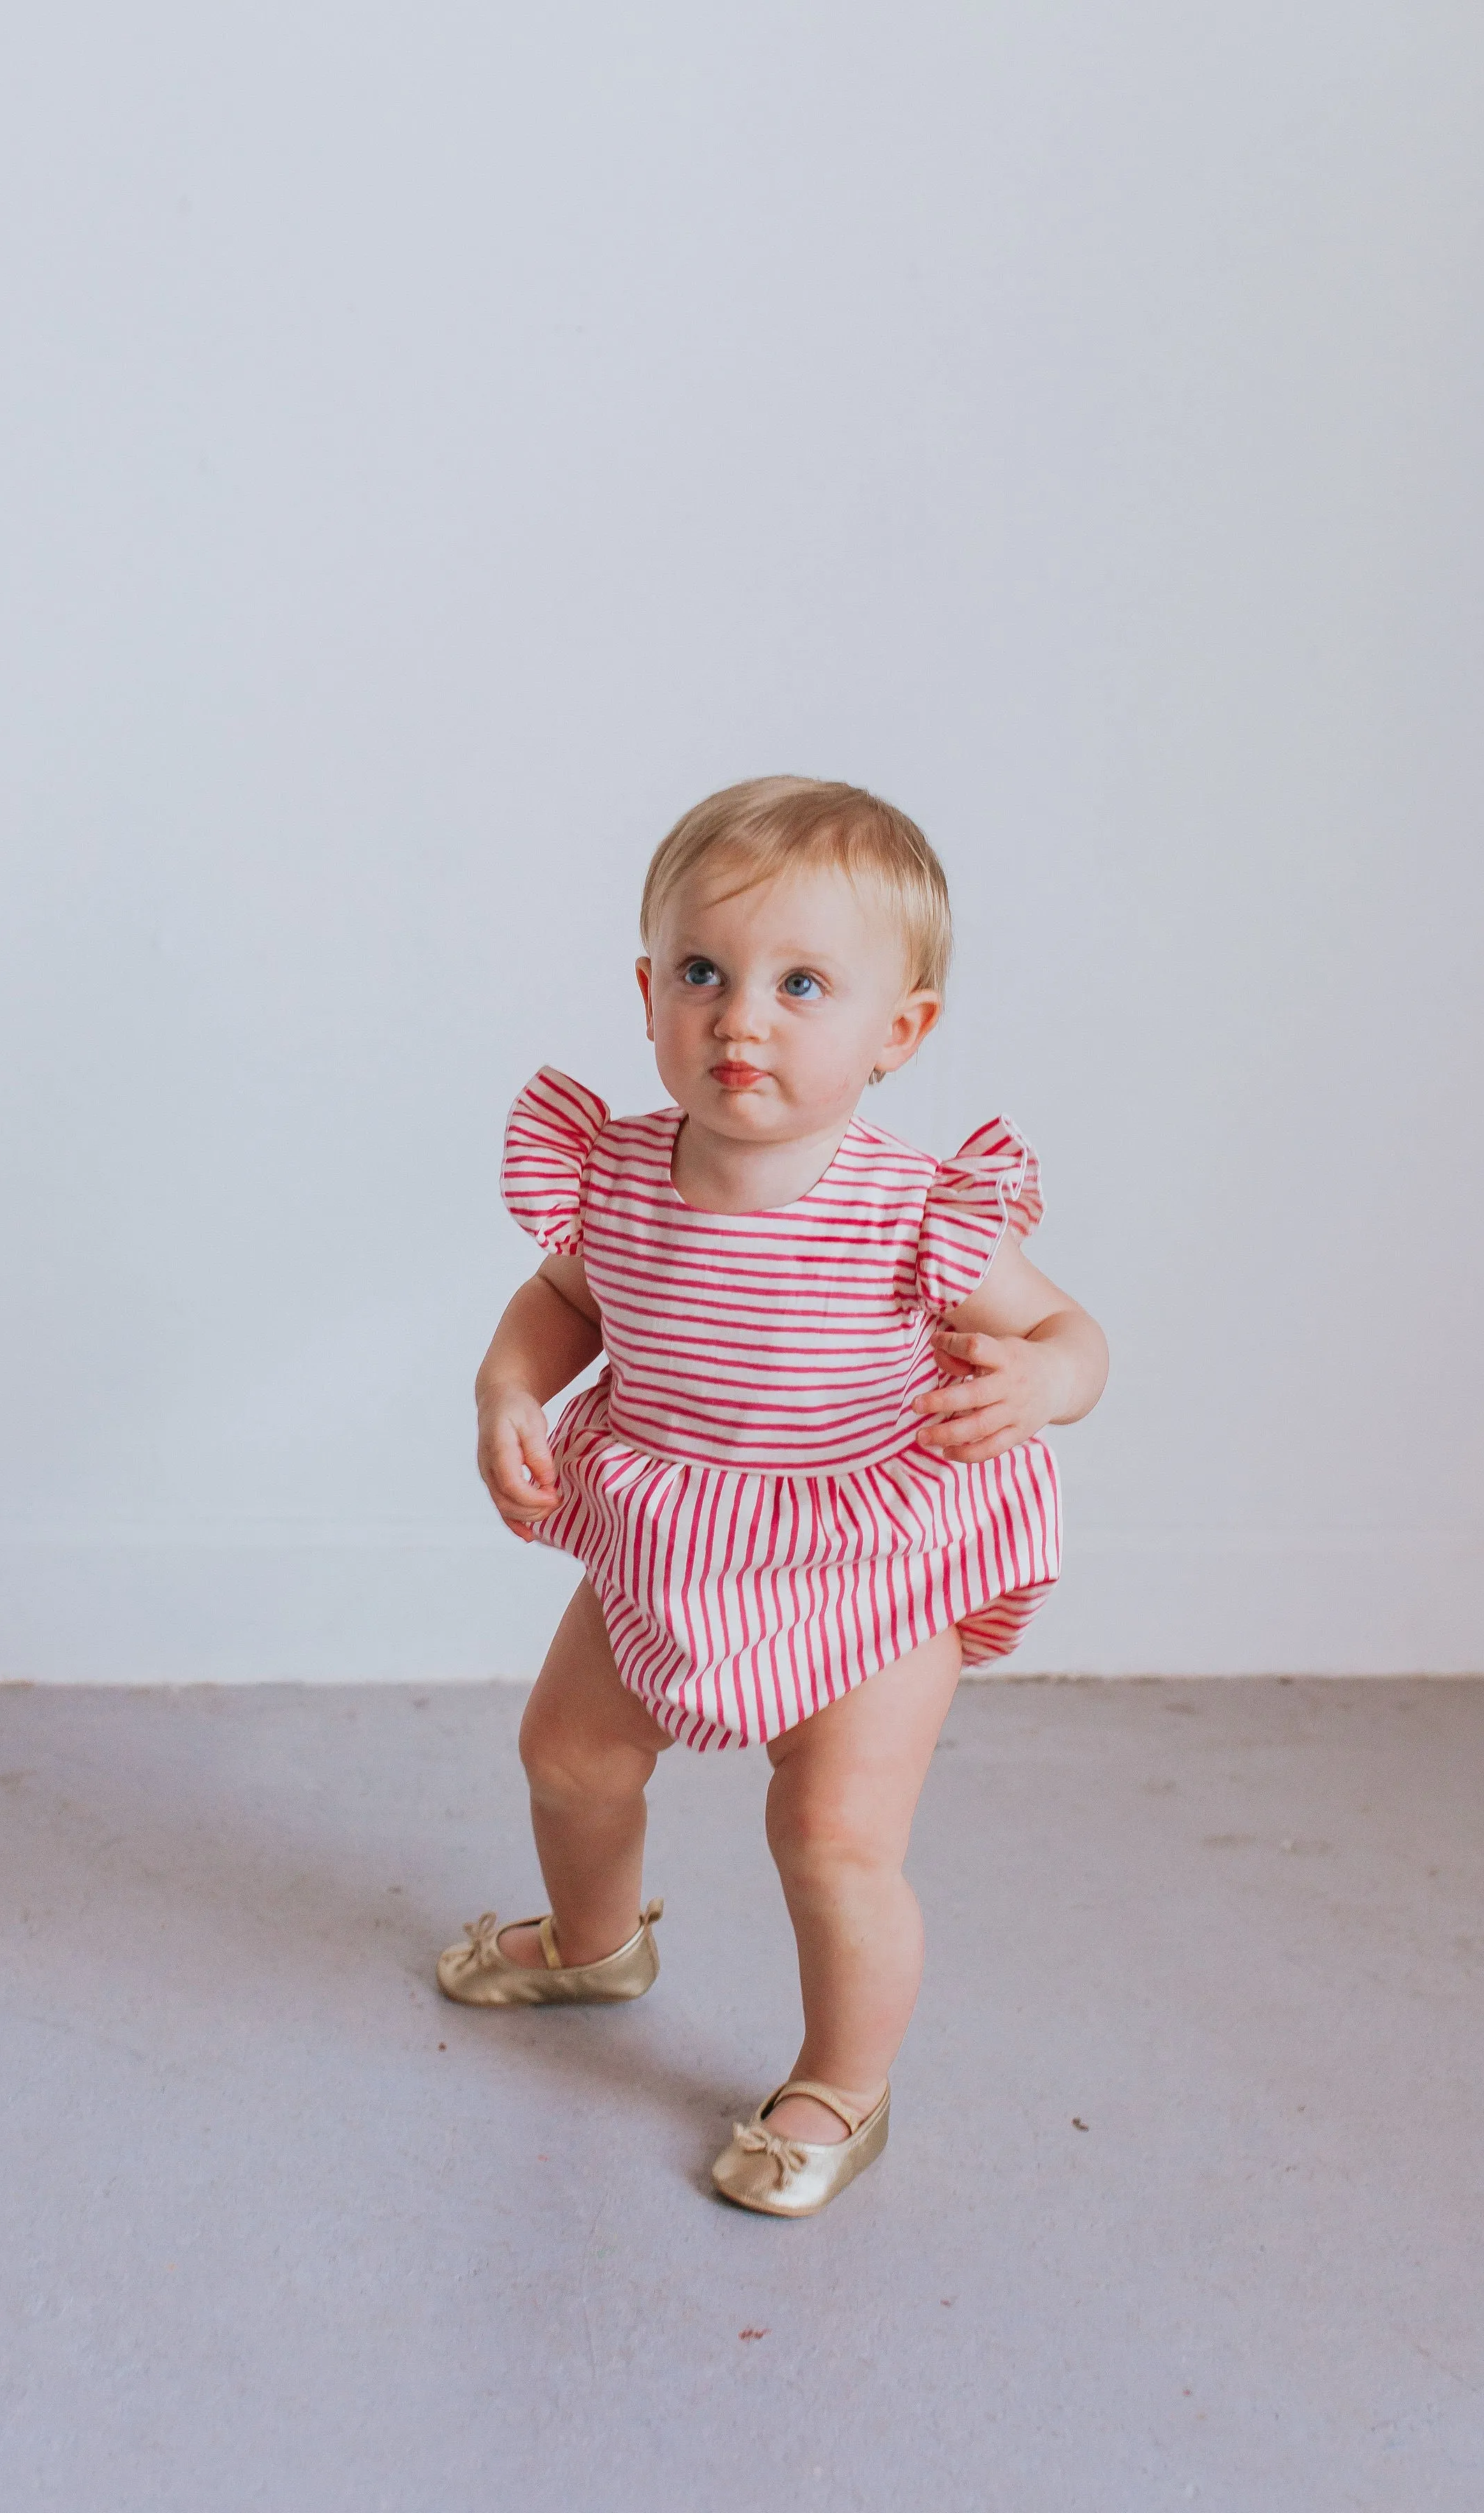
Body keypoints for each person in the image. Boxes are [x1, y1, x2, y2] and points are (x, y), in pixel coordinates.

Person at [438, 776, 1108, 2216]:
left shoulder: (913, 1207)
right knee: (568, 1753)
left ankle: (840, 2087)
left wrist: (1039, 1387)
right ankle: (596, 1940)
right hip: (674, 1540)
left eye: (803, 985)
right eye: (703, 974)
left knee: (831, 1837)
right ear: (647, 992)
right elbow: (560, 1305)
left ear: (899, 1031)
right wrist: (510, 1391)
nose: (741, 1019)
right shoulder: (615, 1172)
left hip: (870, 1558)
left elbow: (1076, 1339)